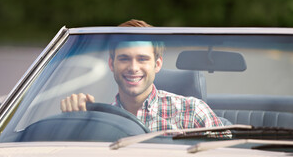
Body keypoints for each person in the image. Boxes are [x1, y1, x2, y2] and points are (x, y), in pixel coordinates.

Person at [60, 19, 224, 132]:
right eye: (124, 58)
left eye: (142, 59)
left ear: (157, 64)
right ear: (111, 64)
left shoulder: (192, 111)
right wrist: (74, 118)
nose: (133, 68)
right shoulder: (96, 120)